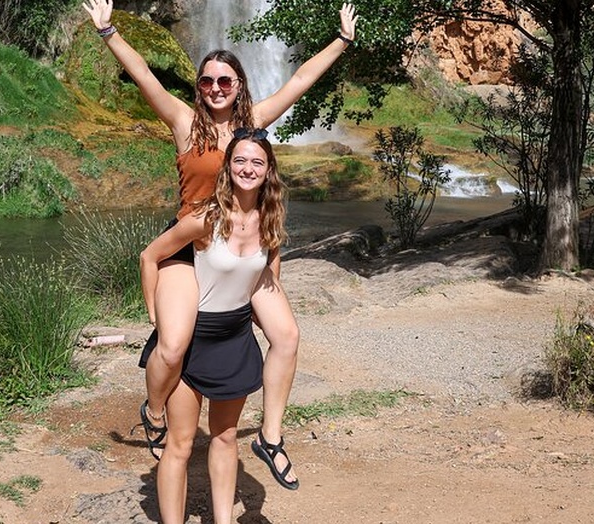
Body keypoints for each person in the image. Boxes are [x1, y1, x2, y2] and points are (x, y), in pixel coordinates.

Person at [82, 0, 357, 489]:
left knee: (287, 337)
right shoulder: (184, 122)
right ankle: (155, 407)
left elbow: (297, 84)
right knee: (173, 343)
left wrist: (342, 41)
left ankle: (270, 437)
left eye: (224, 82)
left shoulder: (252, 129)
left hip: (244, 245)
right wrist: (108, 32)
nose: (214, 89)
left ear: (239, 87)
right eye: (206, 81)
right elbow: (144, 74)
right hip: (192, 245)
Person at [138, 129, 287, 523]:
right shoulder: (205, 218)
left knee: (224, 438)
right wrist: (155, 314)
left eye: (257, 161)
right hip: (194, 339)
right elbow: (151, 255)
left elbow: (269, 278)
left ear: (268, 169)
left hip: (234, 339)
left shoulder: (270, 221)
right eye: (240, 160)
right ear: (228, 167)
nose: (248, 168)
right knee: (181, 444)